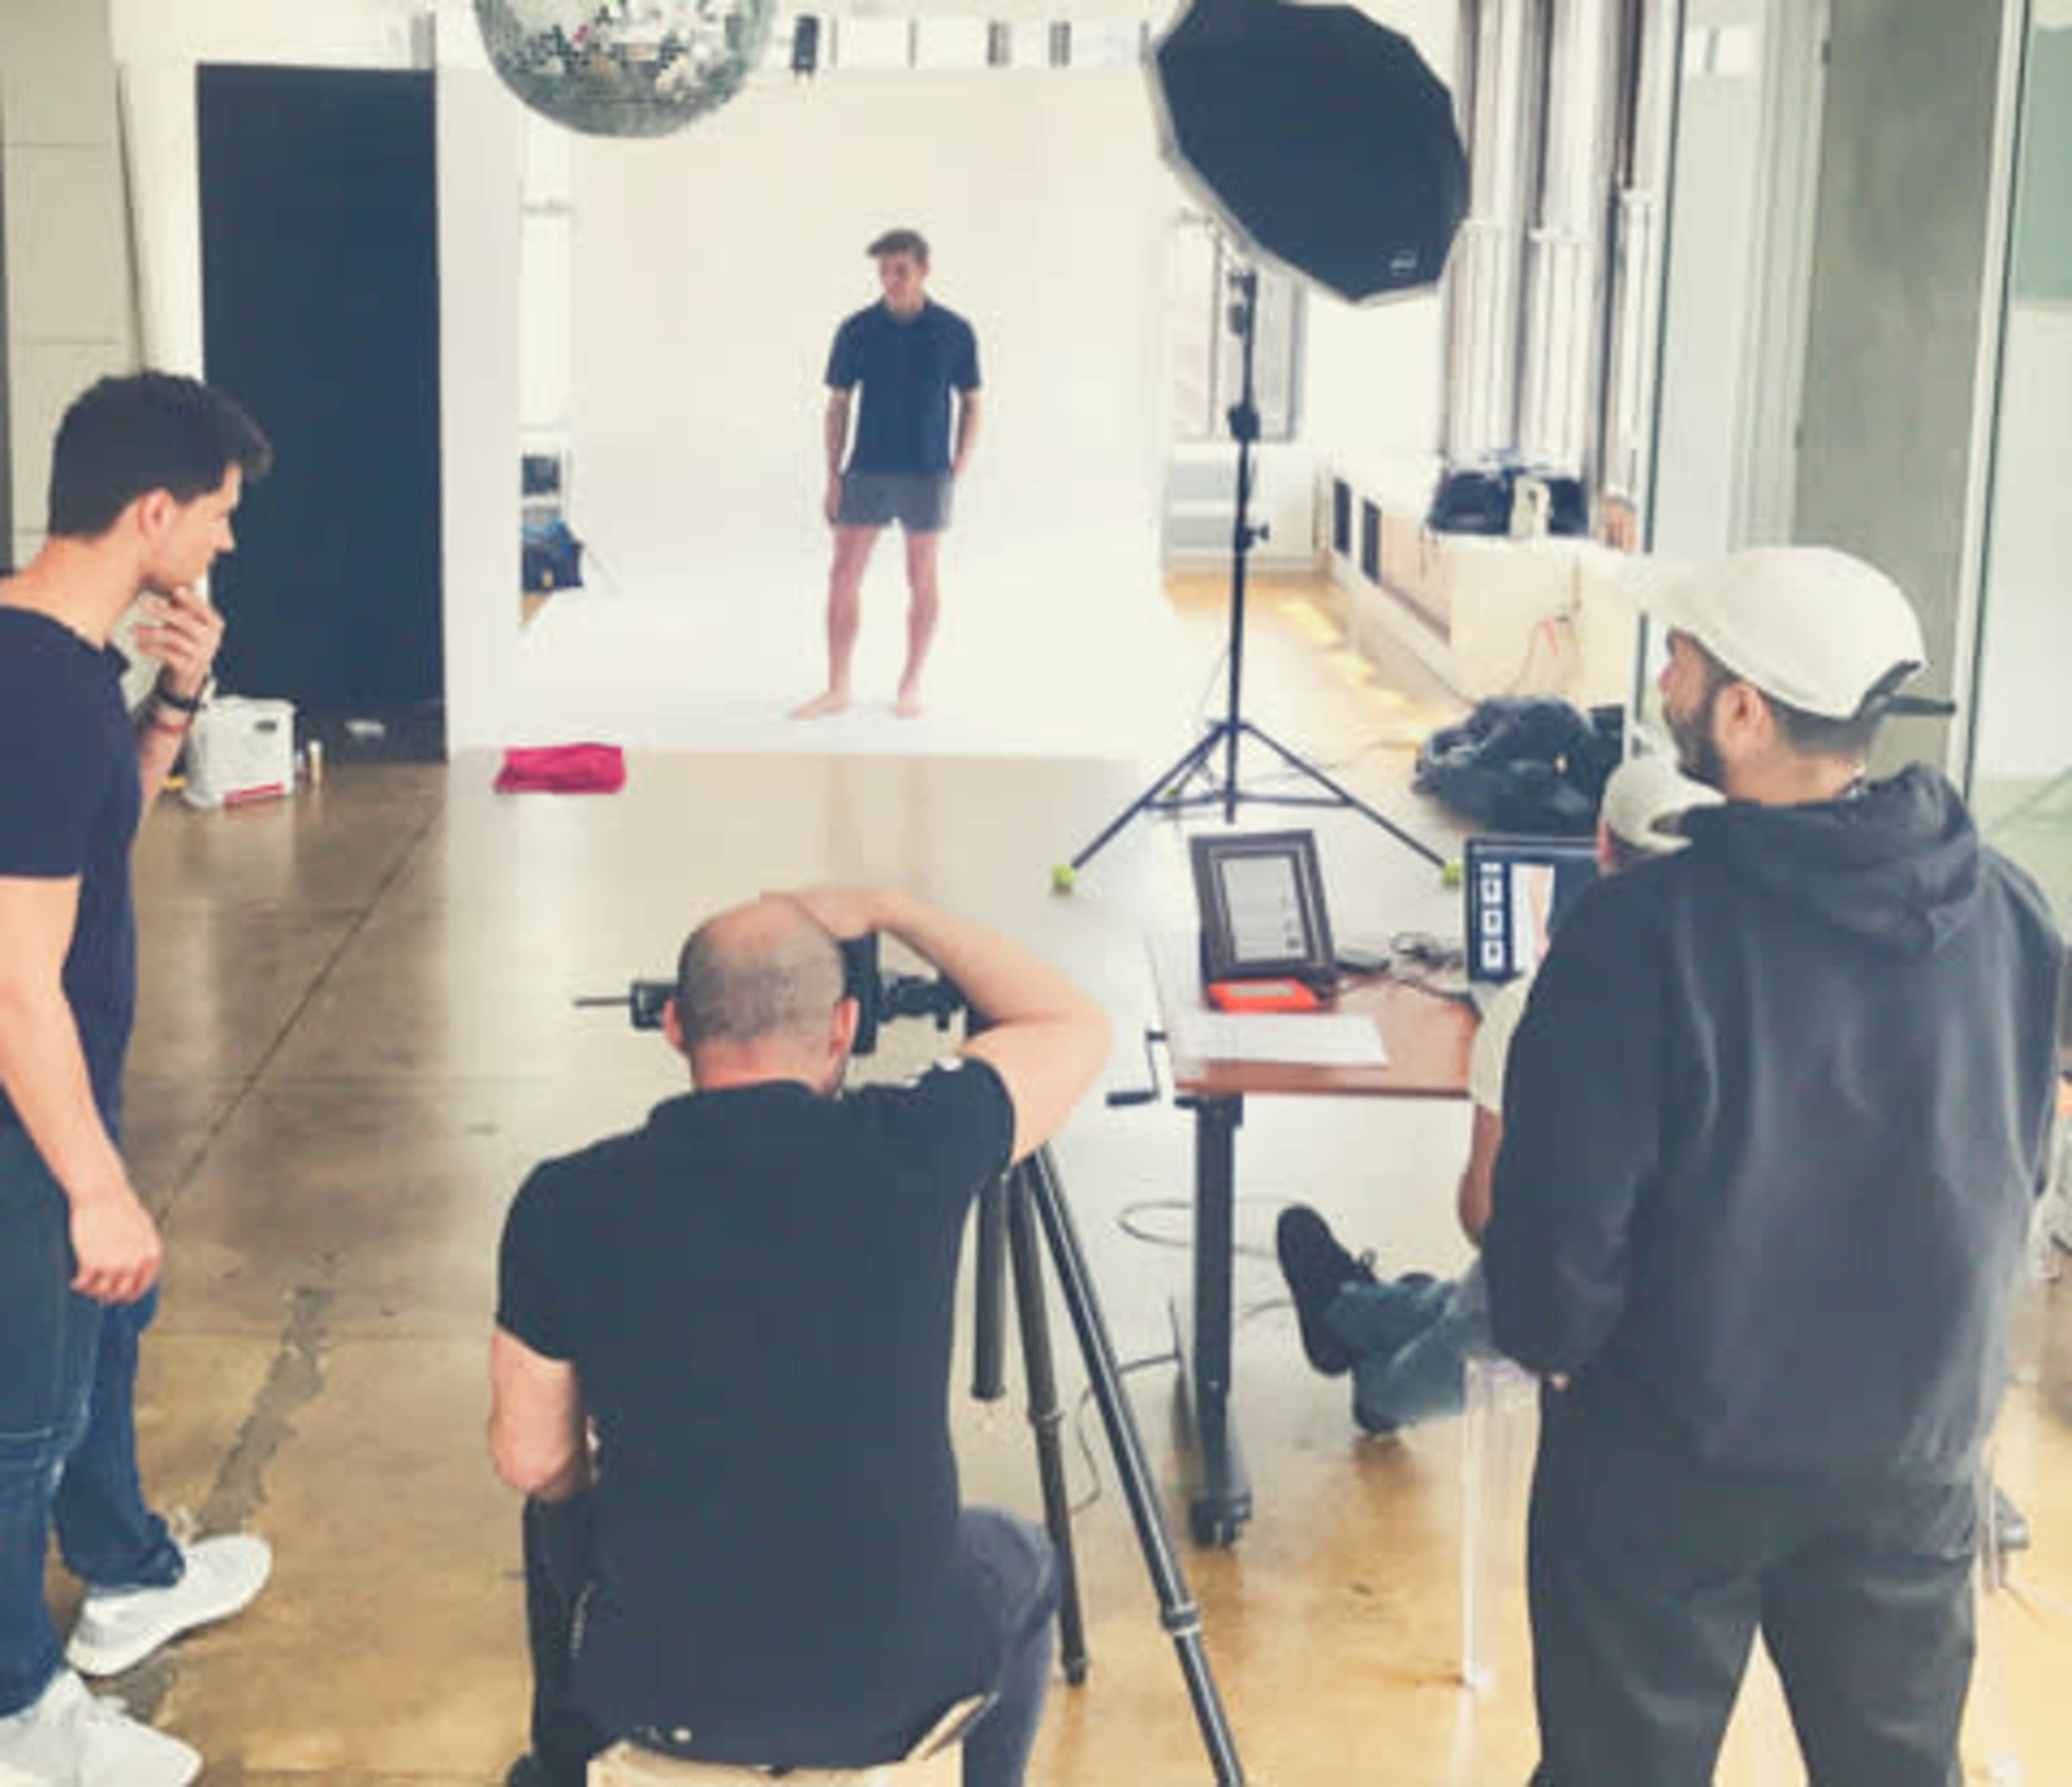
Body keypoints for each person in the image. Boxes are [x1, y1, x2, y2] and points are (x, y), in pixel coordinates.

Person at [1481, 546, 2066, 1786]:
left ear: (1741, 715)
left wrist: (1571, 1359)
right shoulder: (2007, 911)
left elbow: (1548, 1264)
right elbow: (2012, 1162)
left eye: (1681, 663)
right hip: (1910, 1459)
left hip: (1663, 1456)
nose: (1663, 679)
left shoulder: (1636, 938)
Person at [490, 889, 1109, 1787]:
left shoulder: (564, 1199)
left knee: (556, 1512)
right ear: (846, 1025)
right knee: (1025, 1560)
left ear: (673, 1025)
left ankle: (566, 1760)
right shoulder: (920, 1143)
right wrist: (896, 906)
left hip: (663, 1692)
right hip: (896, 1687)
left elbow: (530, 1457)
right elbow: (1070, 1021)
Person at [0, 373, 276, 1785]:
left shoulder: (54, 663)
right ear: (154, 510)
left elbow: (96, 844)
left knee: (111, 1324)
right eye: (218, 518)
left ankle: (126, 1572)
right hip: (22, 1100)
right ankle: (16, 1719)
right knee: (19, 1412)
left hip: (62, 1074)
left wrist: (176, 695)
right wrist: (91, 1184)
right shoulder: (34, 698)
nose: (224, 544)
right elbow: (12, 978)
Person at [1274, 754, 1721, 1434]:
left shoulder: (1530, 1006)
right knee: (1487, 1296)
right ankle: (1350, 1306)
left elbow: (1483, 1208)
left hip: (1588, 1292)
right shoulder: (1750, 1002)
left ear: (1600, 843)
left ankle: (1367, 1371)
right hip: (1685, 1289)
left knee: (1490, 1309)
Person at [793, 229, 983, 721]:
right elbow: (837, 406)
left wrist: (959, 464)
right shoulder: (856, 330)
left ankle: (911, 683)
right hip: (868, 469)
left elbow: (972, 402)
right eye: (884, 272)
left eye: (901, 271)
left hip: (927, 472)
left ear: (924, 270)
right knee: (842, 575)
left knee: (921, 575)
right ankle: (838, 687)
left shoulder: (954, 331)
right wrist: (832, 476)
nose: (891, 281)